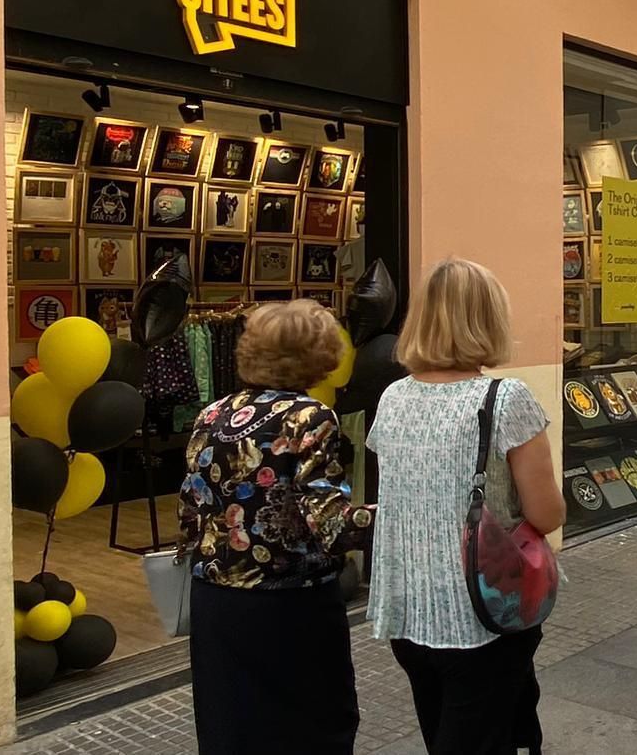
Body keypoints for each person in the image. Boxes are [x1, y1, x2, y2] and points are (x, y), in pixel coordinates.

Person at [367, 259, 565, 755]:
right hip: (483, 613)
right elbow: (547, 514)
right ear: (488, 319)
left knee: (445, 732)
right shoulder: (505, 398)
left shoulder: (392, 397)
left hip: (410, 613)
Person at [180, 299, 374, 755]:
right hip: (289, 602)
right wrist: (399, 518)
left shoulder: (213, 413)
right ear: (321, 355)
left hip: (217, 600)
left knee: (232, 730)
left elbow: (191, 506)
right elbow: (328, 523)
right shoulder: (309, 417)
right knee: (313, 726)